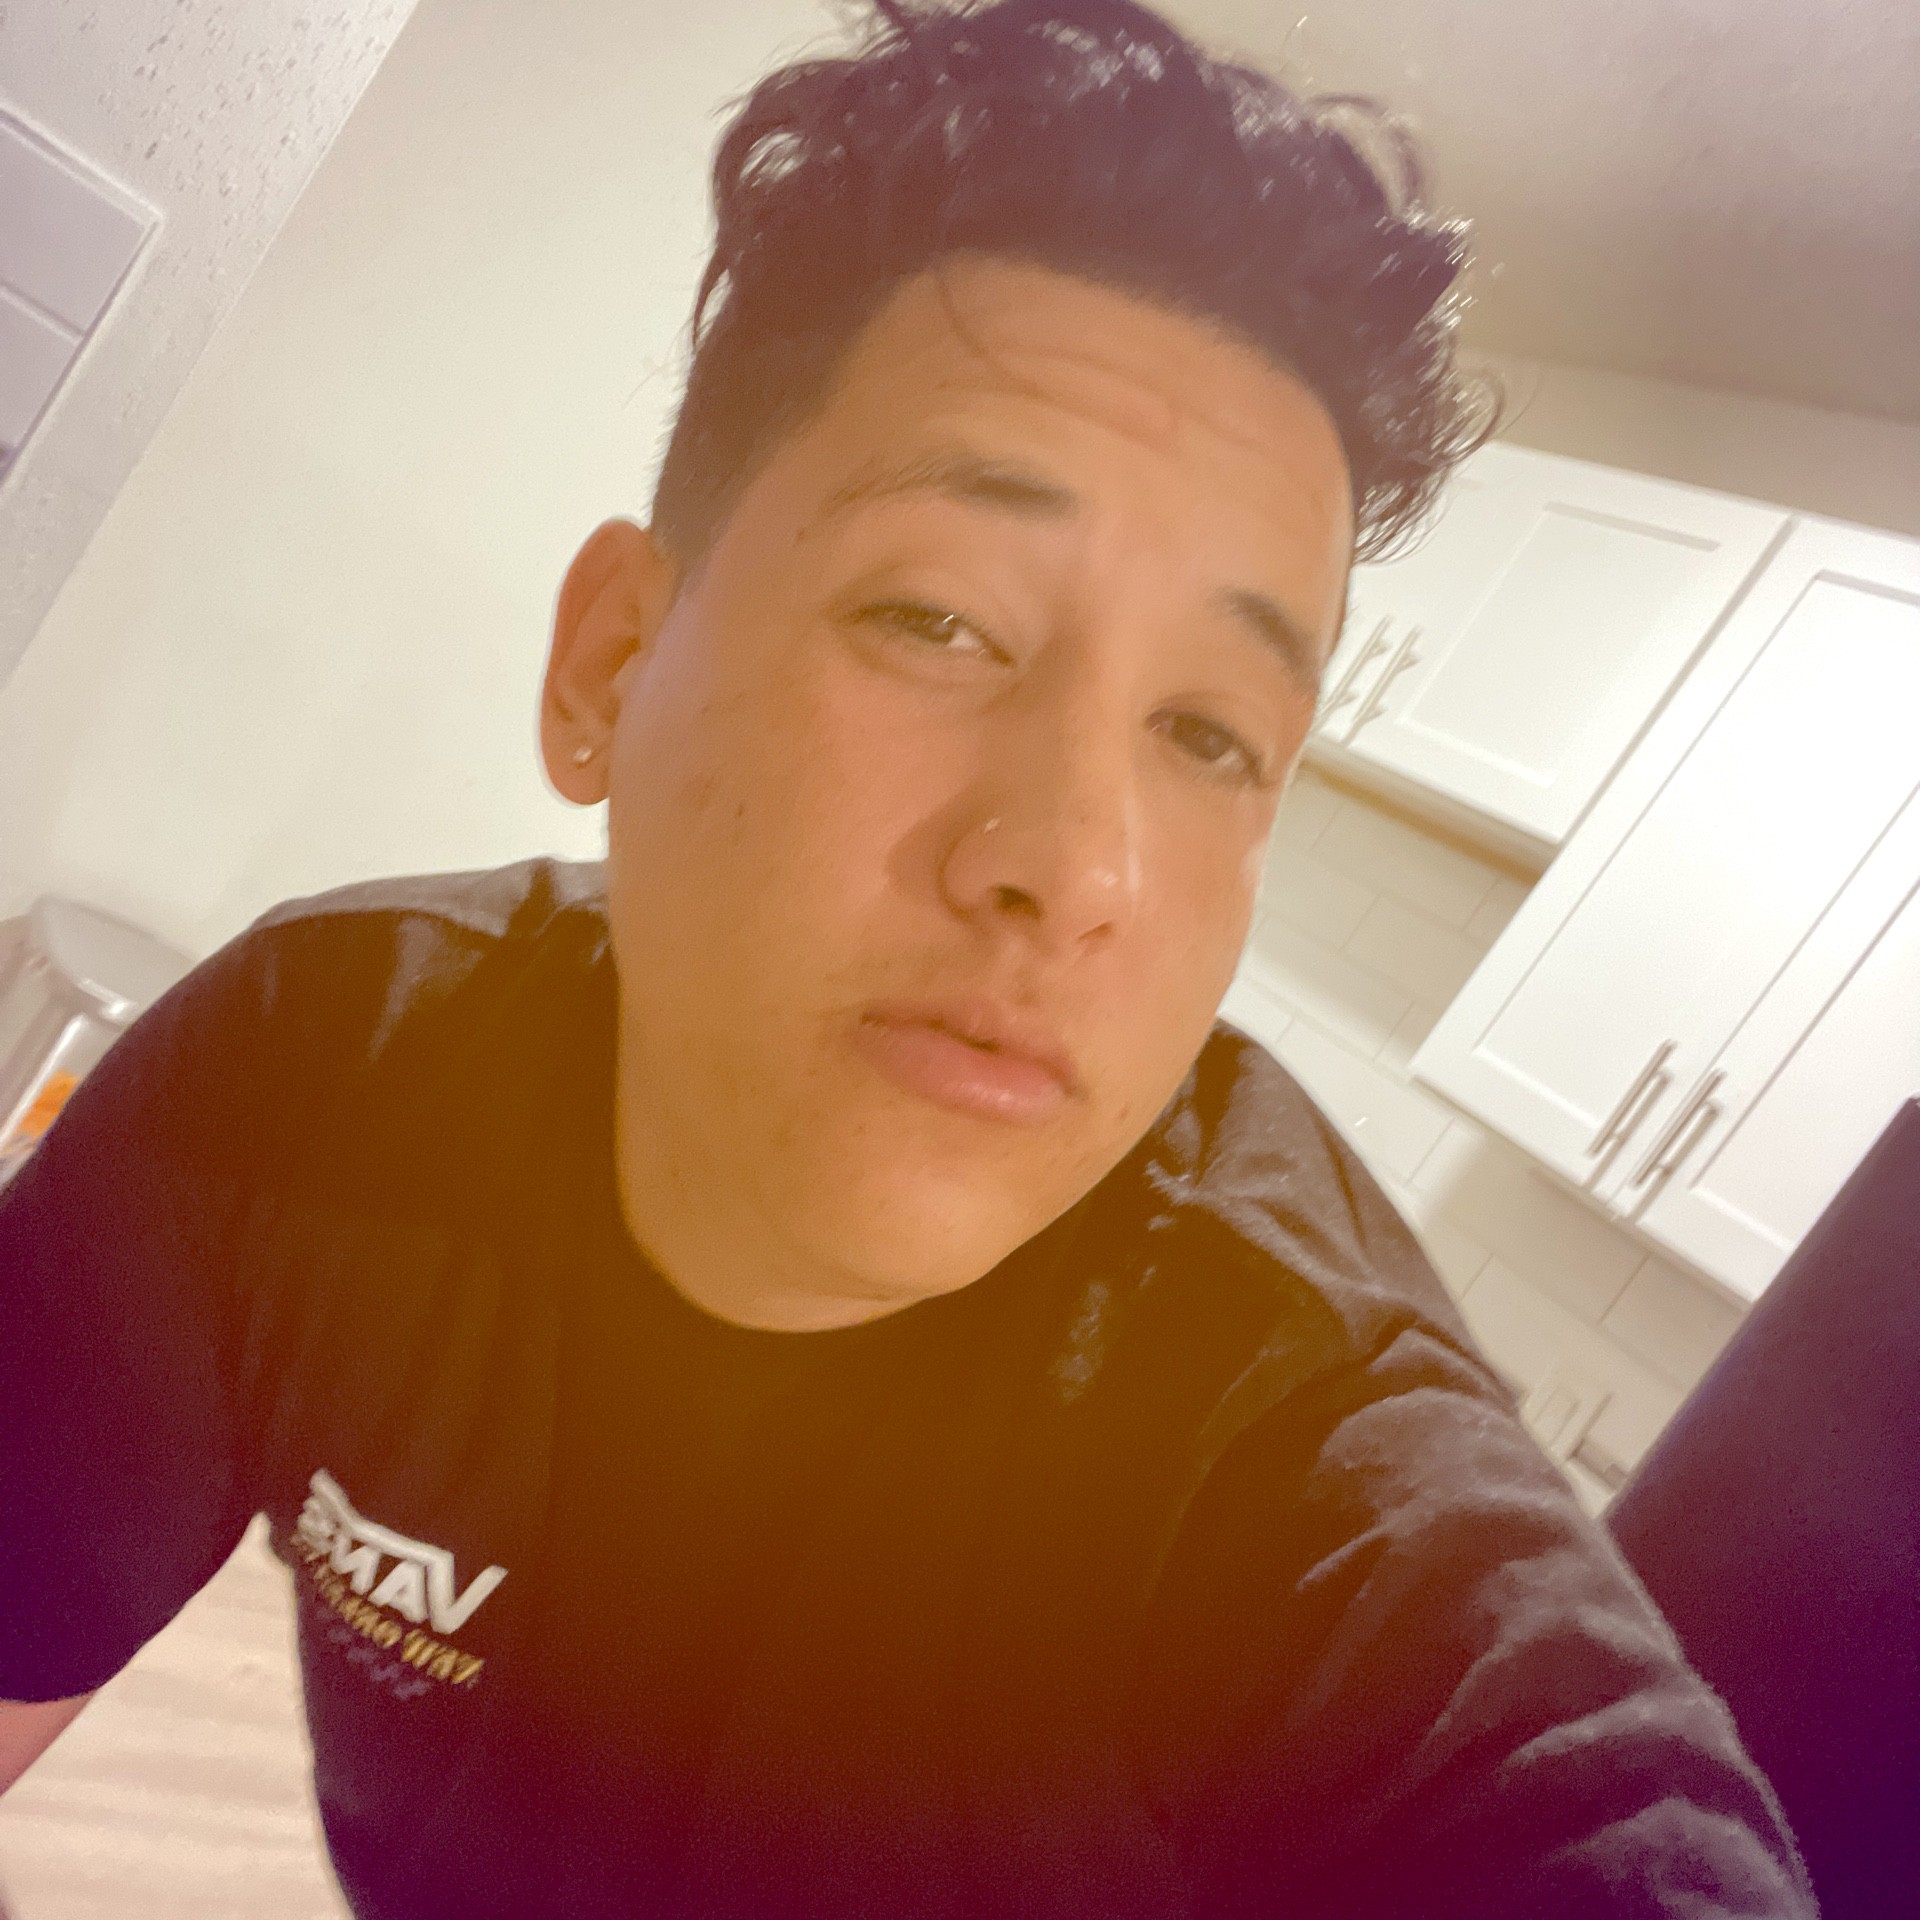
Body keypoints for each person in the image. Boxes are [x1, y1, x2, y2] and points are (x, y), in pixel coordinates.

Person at [0, 2, 1817, 1915]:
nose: (1077, 866)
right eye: (940, 620)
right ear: (612, 663)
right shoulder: (314, 1071)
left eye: (1210, 734)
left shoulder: (1301, 1465)